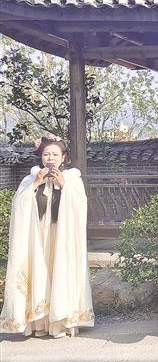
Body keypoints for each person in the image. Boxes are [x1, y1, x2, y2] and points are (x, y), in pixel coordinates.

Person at [0, 135, 93, 338]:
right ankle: (39, 323)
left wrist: (63, 186)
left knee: (59, 270)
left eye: (55, 154)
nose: (50, 158)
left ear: (64, 157)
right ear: (40, 157)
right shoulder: (29, 180)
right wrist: (35, 184)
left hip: (61, 236)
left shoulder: (73, 180)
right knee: (38, 272)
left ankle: (61, 322)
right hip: (37, 236)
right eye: (46, 154)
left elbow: (80, 208)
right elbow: (19, 206)